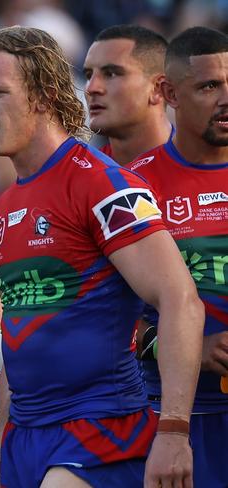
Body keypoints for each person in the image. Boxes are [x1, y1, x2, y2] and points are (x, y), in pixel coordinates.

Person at [0, 26, 204, 488]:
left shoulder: (102, 183)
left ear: (43, 95)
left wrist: (174, 431)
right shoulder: (5, 205)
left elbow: (180, 300)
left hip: (100, 430)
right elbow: (16, 343)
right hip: (24, 438)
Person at [130, 26, 228, 488]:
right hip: (176, 421)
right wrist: (192, 348)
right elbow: (102, 318)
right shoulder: (132, 189)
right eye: (209, 86)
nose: (226, 99)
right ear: (169, 93)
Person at [83, 24, 172, 166]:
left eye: (110, 74)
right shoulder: (78, 178)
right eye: (88, 75)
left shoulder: (211, 165)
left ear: (157, 88)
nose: (92, 88)